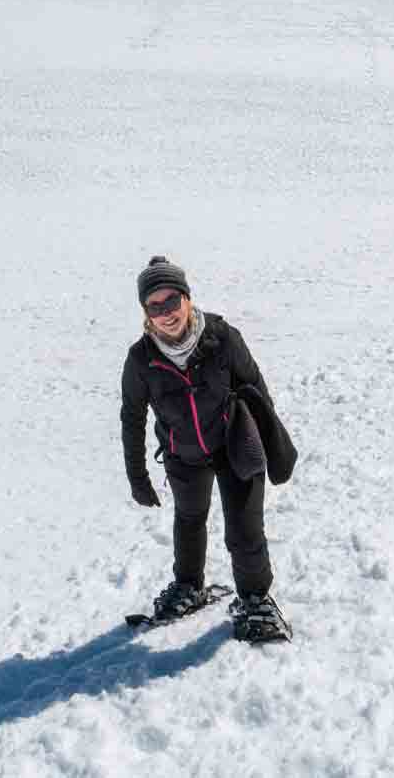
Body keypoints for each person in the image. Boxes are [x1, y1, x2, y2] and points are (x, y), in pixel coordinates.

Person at [120, 255, 294, 643]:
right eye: (155, 305)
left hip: (234, 446)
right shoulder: (140, 360)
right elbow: (132, 417)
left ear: (187, 298)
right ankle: (189, 586)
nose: (166, 313)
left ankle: (256, 600)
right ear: (145, 312)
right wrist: (137, 475)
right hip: (183, 454)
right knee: (189, 519)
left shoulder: (222, 337)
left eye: (172, 301)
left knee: (244, 530)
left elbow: (256, 388)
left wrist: (273, 445)